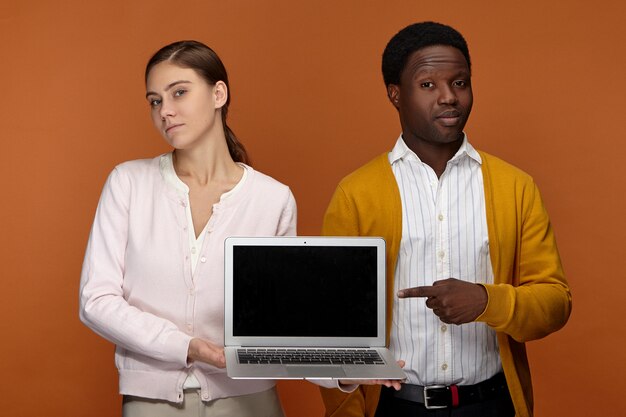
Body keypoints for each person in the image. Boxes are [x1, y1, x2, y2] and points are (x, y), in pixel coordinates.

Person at [318, 22, 572, 417]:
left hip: (490, 404)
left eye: (459, 82)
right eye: (427, 85)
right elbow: (333, 326)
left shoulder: (515, 186)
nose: (449, 97)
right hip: (394, 406)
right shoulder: (356, 194)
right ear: (395, 94)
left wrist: (488, 300)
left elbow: (556, 302)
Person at [79, 40, 296, 417]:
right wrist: (187, 346)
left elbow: (282, 320)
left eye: (179, 92)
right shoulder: (128, 182)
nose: (165, 111)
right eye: (155, 100)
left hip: (249, 401)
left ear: (218, 93)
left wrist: (342, 374)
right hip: (152, 402)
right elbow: (96, 300)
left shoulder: (273, 199)